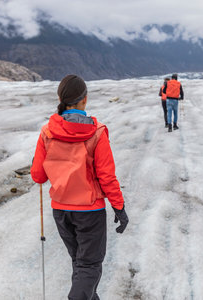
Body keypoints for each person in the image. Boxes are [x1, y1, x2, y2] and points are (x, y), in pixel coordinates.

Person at [30, 74, 128, 300]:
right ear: (85, 99)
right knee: (89, 265)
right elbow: (106, 176)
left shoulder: (47, 132)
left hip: (61, 211)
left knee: (80, 263)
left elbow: (38, 175)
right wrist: (119, 208)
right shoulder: (97, 132)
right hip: (89, 211)